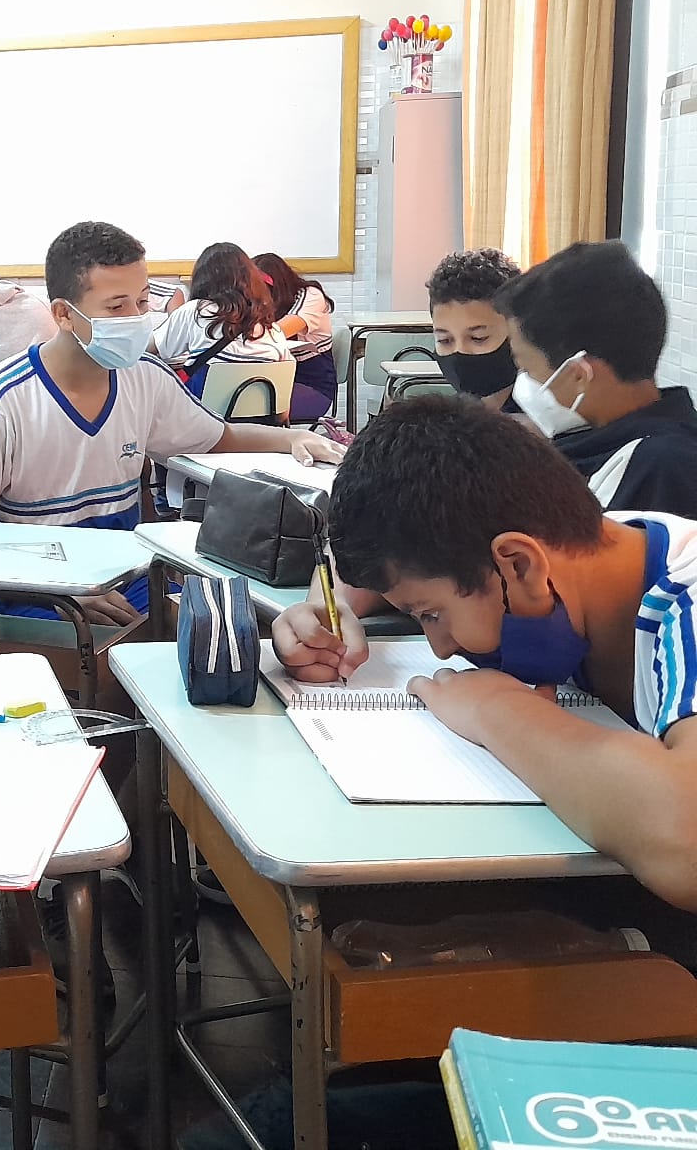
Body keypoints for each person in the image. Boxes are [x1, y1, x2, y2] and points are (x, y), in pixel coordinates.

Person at [283, 394, 697, 914]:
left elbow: (686, 842)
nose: (440, 647)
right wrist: (331, 609)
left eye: (431, 615)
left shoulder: (685, 597)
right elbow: (388, 564)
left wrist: (497, 710)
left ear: (519, 564)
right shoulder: (576, 550)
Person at [0, 222, 343, 626]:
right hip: (22, 588)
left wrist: (292, 437)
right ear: (64, 314)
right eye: (116, 308)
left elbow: (219, 437)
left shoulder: (144, 376)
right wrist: (59, 587)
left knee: (218, 627)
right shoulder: (1, 397)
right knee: (125, 642)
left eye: (142, 301)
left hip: (120, 574)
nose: (136, 319)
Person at [494, 240, 697, 515]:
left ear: (579, 375)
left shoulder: (660, 469)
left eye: (527, 368)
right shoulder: (598, 443)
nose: (525, 383)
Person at [154, 243, 290, 398]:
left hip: (201, 411)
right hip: (260, 413)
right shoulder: (273, 330)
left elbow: (146, 348)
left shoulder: (196, 311)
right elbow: (283, 392)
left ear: (202, 279)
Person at [425, 248, 522, 410]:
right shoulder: (448, 418)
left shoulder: (546, 417)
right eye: (445, 341)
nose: (460, 352)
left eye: (478, 338)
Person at [252, 252, 338, 421]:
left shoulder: (311, 295)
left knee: (249, 406)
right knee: (238, 401)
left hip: (313, 386)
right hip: (274, 382)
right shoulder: (259, 302)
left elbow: (280, 331)